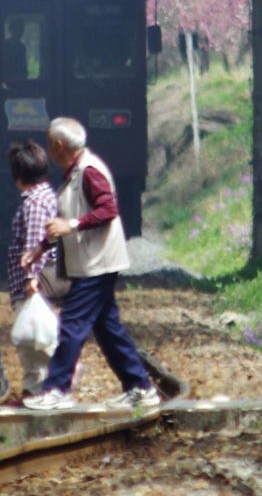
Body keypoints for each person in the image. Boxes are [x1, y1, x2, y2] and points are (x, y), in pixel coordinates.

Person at [21, 117, 160, 411]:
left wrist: (71, 225)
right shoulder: (76, 171)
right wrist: (41, 249)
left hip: (97, 264)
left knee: (72, 325)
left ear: (59, 145)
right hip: (92, 262)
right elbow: (63, 223)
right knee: (108, 328)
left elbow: (108, 210)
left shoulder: (89, 170)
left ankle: (56, 389)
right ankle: (140, 387)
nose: (49, 151)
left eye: (49, 144)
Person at [6, 140, 59, 399]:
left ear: (18, 176)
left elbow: (35, 243)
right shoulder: (46, 195)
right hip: (43, 280)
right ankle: (37, 390)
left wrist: (30, 280)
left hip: (35, 284)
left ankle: (36, 392)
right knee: (37, 339)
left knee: (32, 342)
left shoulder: (35, 203)